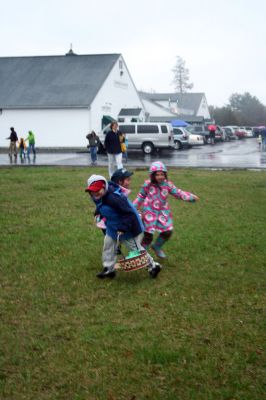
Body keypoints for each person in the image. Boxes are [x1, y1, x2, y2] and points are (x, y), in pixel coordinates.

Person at [85, 174, 161, 279]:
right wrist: (98, 212)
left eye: (98, 189)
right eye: (93, 190)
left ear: (105, 187)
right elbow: (101, 205)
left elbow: (129, 214)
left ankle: (153, 266)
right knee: (108, 245)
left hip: (128, 228)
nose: (96, 192)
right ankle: (109, 269)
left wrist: (123, 227)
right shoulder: (97, 197)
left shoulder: (115, 198)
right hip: (112, 227)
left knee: (136, 250)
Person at [133, 161, 199, 259]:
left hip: (163, 212)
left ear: (165, 174)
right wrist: (133, 208)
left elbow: (178, 193)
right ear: (152, 175)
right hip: (149, 212)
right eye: (157, 175)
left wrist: (191, 197)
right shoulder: (148, 184)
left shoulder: (168, 185)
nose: (160, 177)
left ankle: (157, 246)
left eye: (162, 174)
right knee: (148, 235)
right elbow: (141, 196)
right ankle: (141, 255)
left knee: (168, 231)